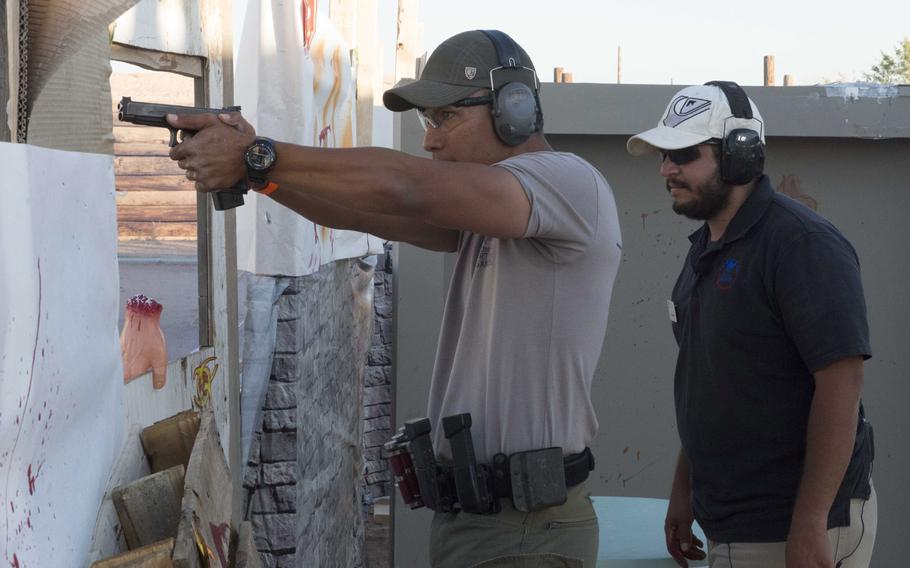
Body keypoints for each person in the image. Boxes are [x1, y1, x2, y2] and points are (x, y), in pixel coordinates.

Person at [167, 30, 622, 567]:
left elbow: (404, 185)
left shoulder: (566, 182)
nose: (431, 140)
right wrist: (260, 175)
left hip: (525, 529)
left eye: (443, 118)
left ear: (513, 111)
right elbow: (360, 212)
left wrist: (260, 154)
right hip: (480, 524)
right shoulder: (495, 211)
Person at [626, 81, 876, 568]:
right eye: (663, 154)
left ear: (742, 153)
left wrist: (808, 524)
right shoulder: (704, 248)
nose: (666, 170)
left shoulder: (801, 244)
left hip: (790, 526)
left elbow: (842, 383)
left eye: (684, 154)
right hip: (728, 520)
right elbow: (711, 382)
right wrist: (685, 491)